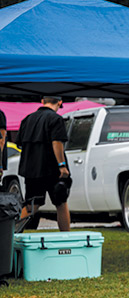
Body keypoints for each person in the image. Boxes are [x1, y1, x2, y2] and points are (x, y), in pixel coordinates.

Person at [18, 96, 70, 231]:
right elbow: (57, 142)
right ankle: (66, 237)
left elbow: (21, 144)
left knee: (31, 206)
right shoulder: (56, 119)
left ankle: (13, 235)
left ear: (42, 101)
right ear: (60, 102)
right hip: (52, 169)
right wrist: (62, 165)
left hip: (31, 169)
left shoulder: (27, 119)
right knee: (61, 202)